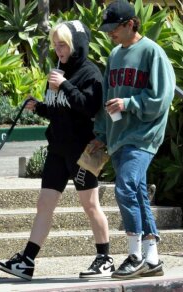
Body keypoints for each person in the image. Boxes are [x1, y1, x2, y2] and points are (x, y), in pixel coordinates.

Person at [0, 20, 115, 280]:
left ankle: (105, 258)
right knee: (44, 203)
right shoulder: (58, 70)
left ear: (76, 45)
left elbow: (89, 107)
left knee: (90, 204)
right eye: (56, 45)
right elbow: (59, 110)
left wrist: (66, 85)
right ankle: (27, 261)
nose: (59, 51)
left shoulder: (89, 73)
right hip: (57, 149)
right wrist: (38, 106)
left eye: (63, 45)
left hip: (84, 151)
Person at [91, 0, 176, 279]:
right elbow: (107, 97)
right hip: (118, 137)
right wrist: (102, 135)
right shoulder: (115, 54)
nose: (109, 34)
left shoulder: (153, 52)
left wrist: (129, 103)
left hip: (142, 136)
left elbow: (162, 98)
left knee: (125, 188)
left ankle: (135, 254)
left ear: (130, 24)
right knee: (137, 192)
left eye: (113, 29)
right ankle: (152, 258)